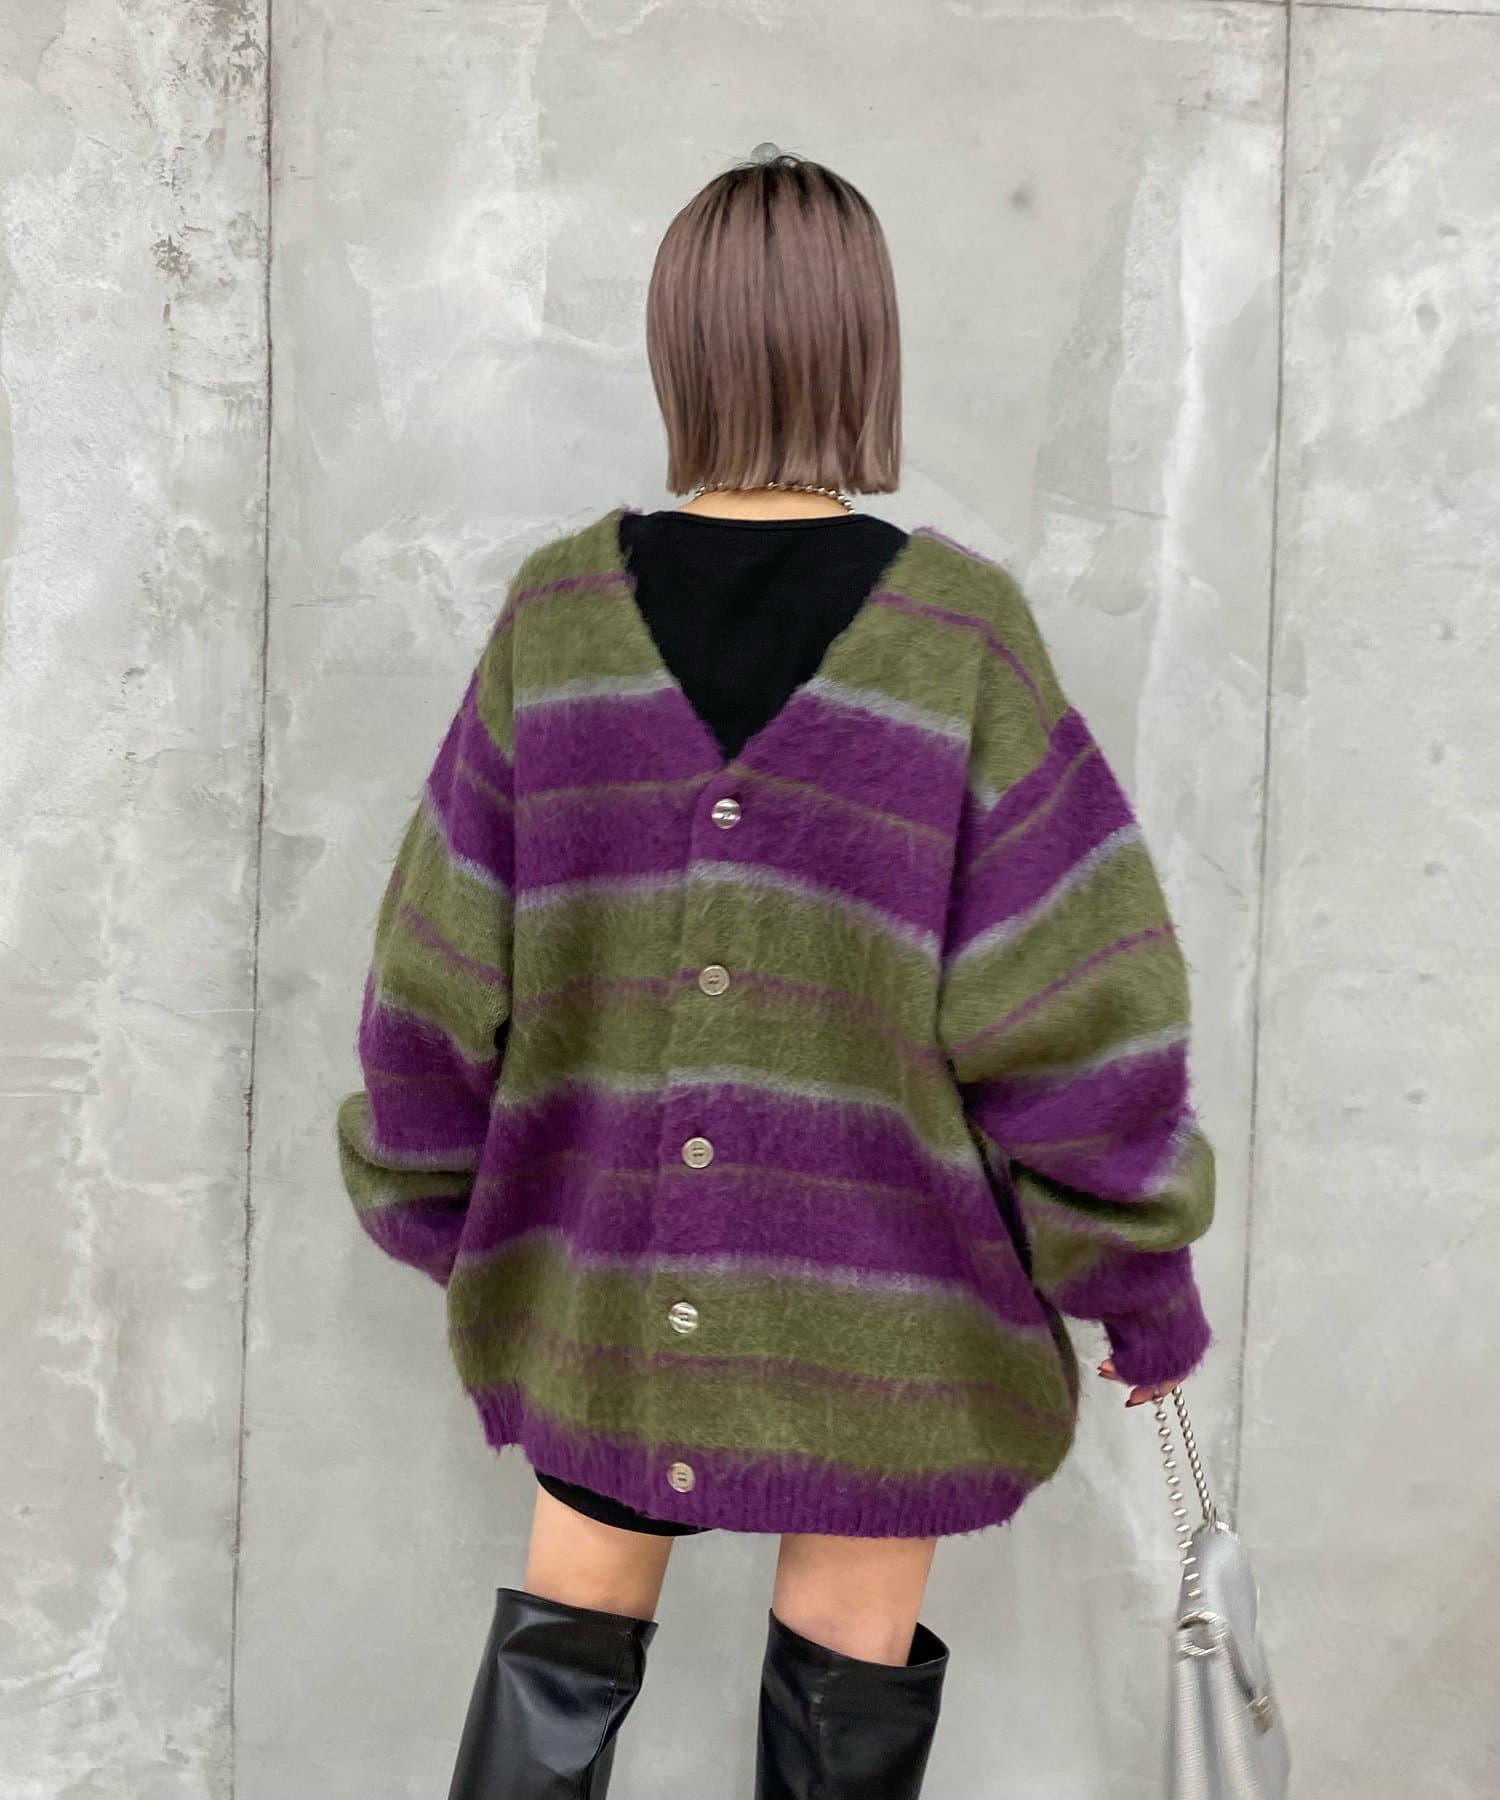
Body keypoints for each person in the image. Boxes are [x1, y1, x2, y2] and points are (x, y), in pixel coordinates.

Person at [334, 147, 1216, 1800]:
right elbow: (1076, 1017)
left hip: (609, 1288)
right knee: (845, 1675)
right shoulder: (956, 640)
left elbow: (435, 975)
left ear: (678, 344)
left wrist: (466, 1219)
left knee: (567, 1633)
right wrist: (1139, 1286)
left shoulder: (559, 624)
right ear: (863, 348)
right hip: (891, 1313)